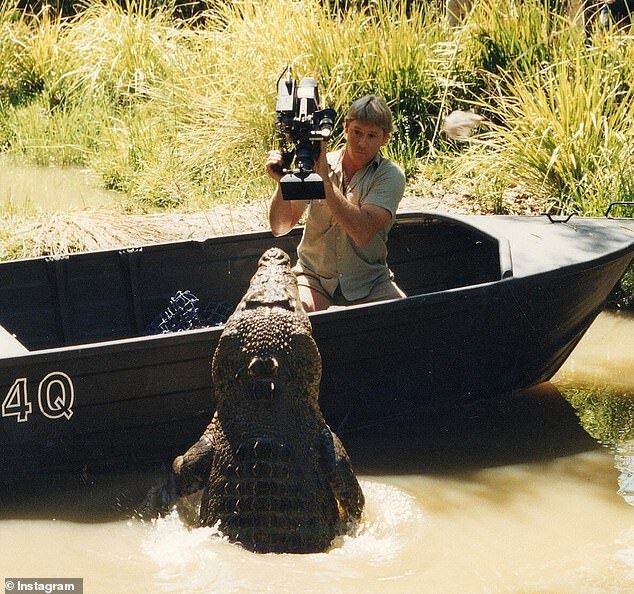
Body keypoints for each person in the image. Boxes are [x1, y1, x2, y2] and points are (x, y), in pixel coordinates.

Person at [266, 94, 406, 312]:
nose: (361, 143)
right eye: (357, 132)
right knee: (295, 312)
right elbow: (280, 227)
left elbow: (361, 232)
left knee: (401, 314)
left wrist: (323, 180)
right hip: (314, 278)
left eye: (371, 136)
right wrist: (283, 184)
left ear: (384, 139)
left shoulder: (390, 176)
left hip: (368, 282)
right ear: (346, 127)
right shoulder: (321, 163)